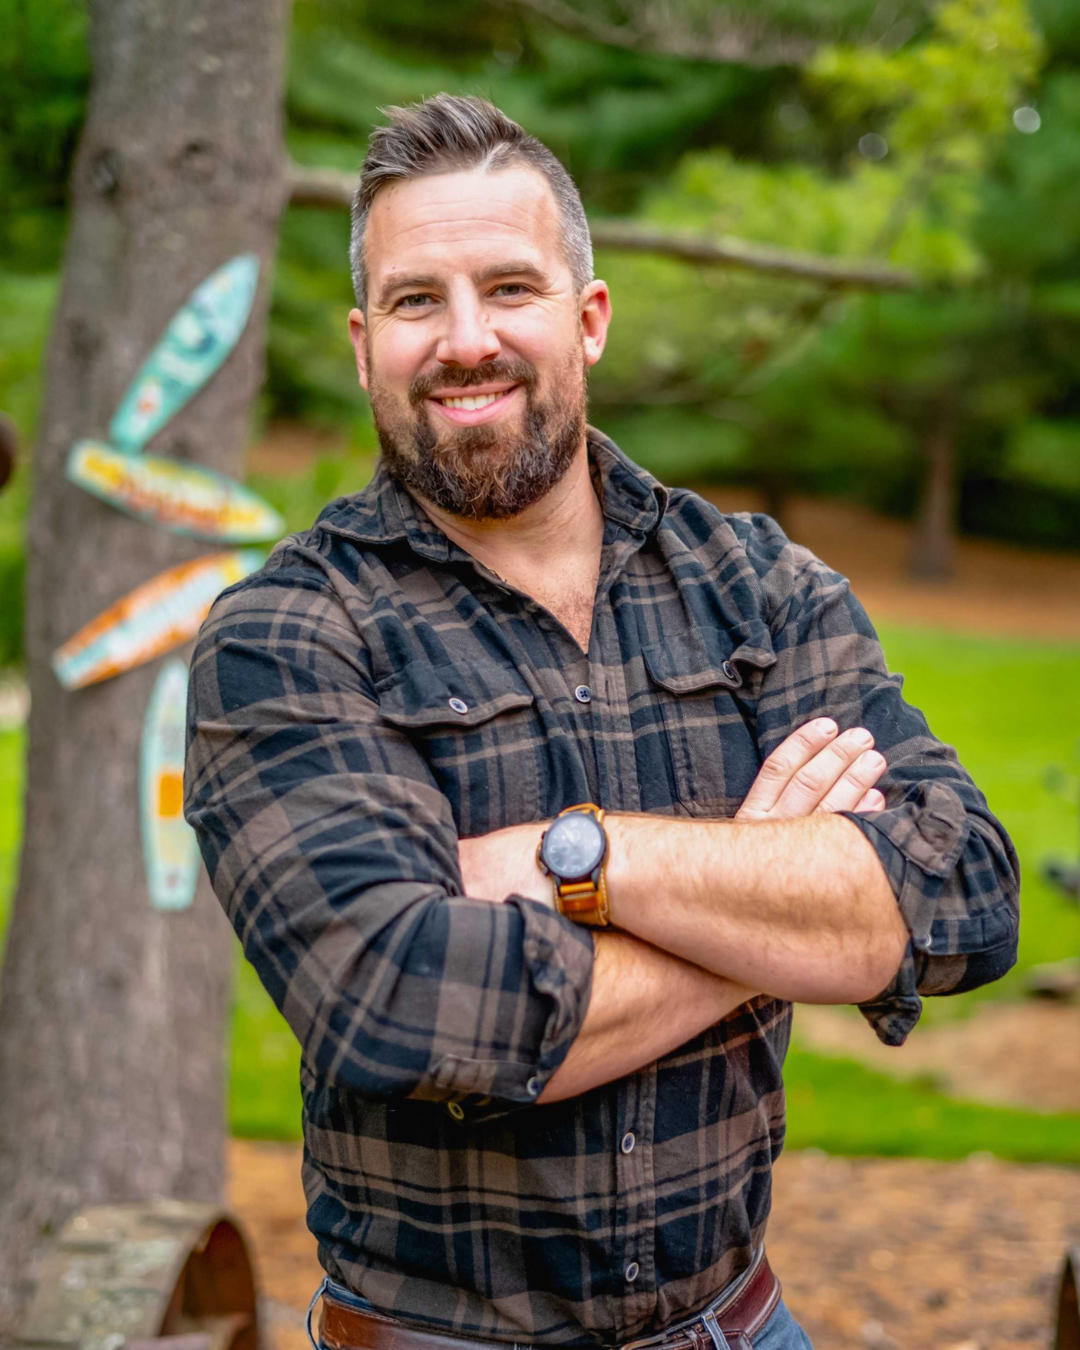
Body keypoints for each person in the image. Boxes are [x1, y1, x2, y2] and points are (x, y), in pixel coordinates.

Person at [184, 95, 1019, 1350]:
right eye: (416, 302)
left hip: (741, 1327)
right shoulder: (285, 635)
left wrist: (581, 858)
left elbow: (964, 892)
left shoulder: (758, 587)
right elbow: (398, 1003)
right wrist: (775, 901)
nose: (467, 340)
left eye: (510, 288)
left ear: (589, 319)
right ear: (364, 347)